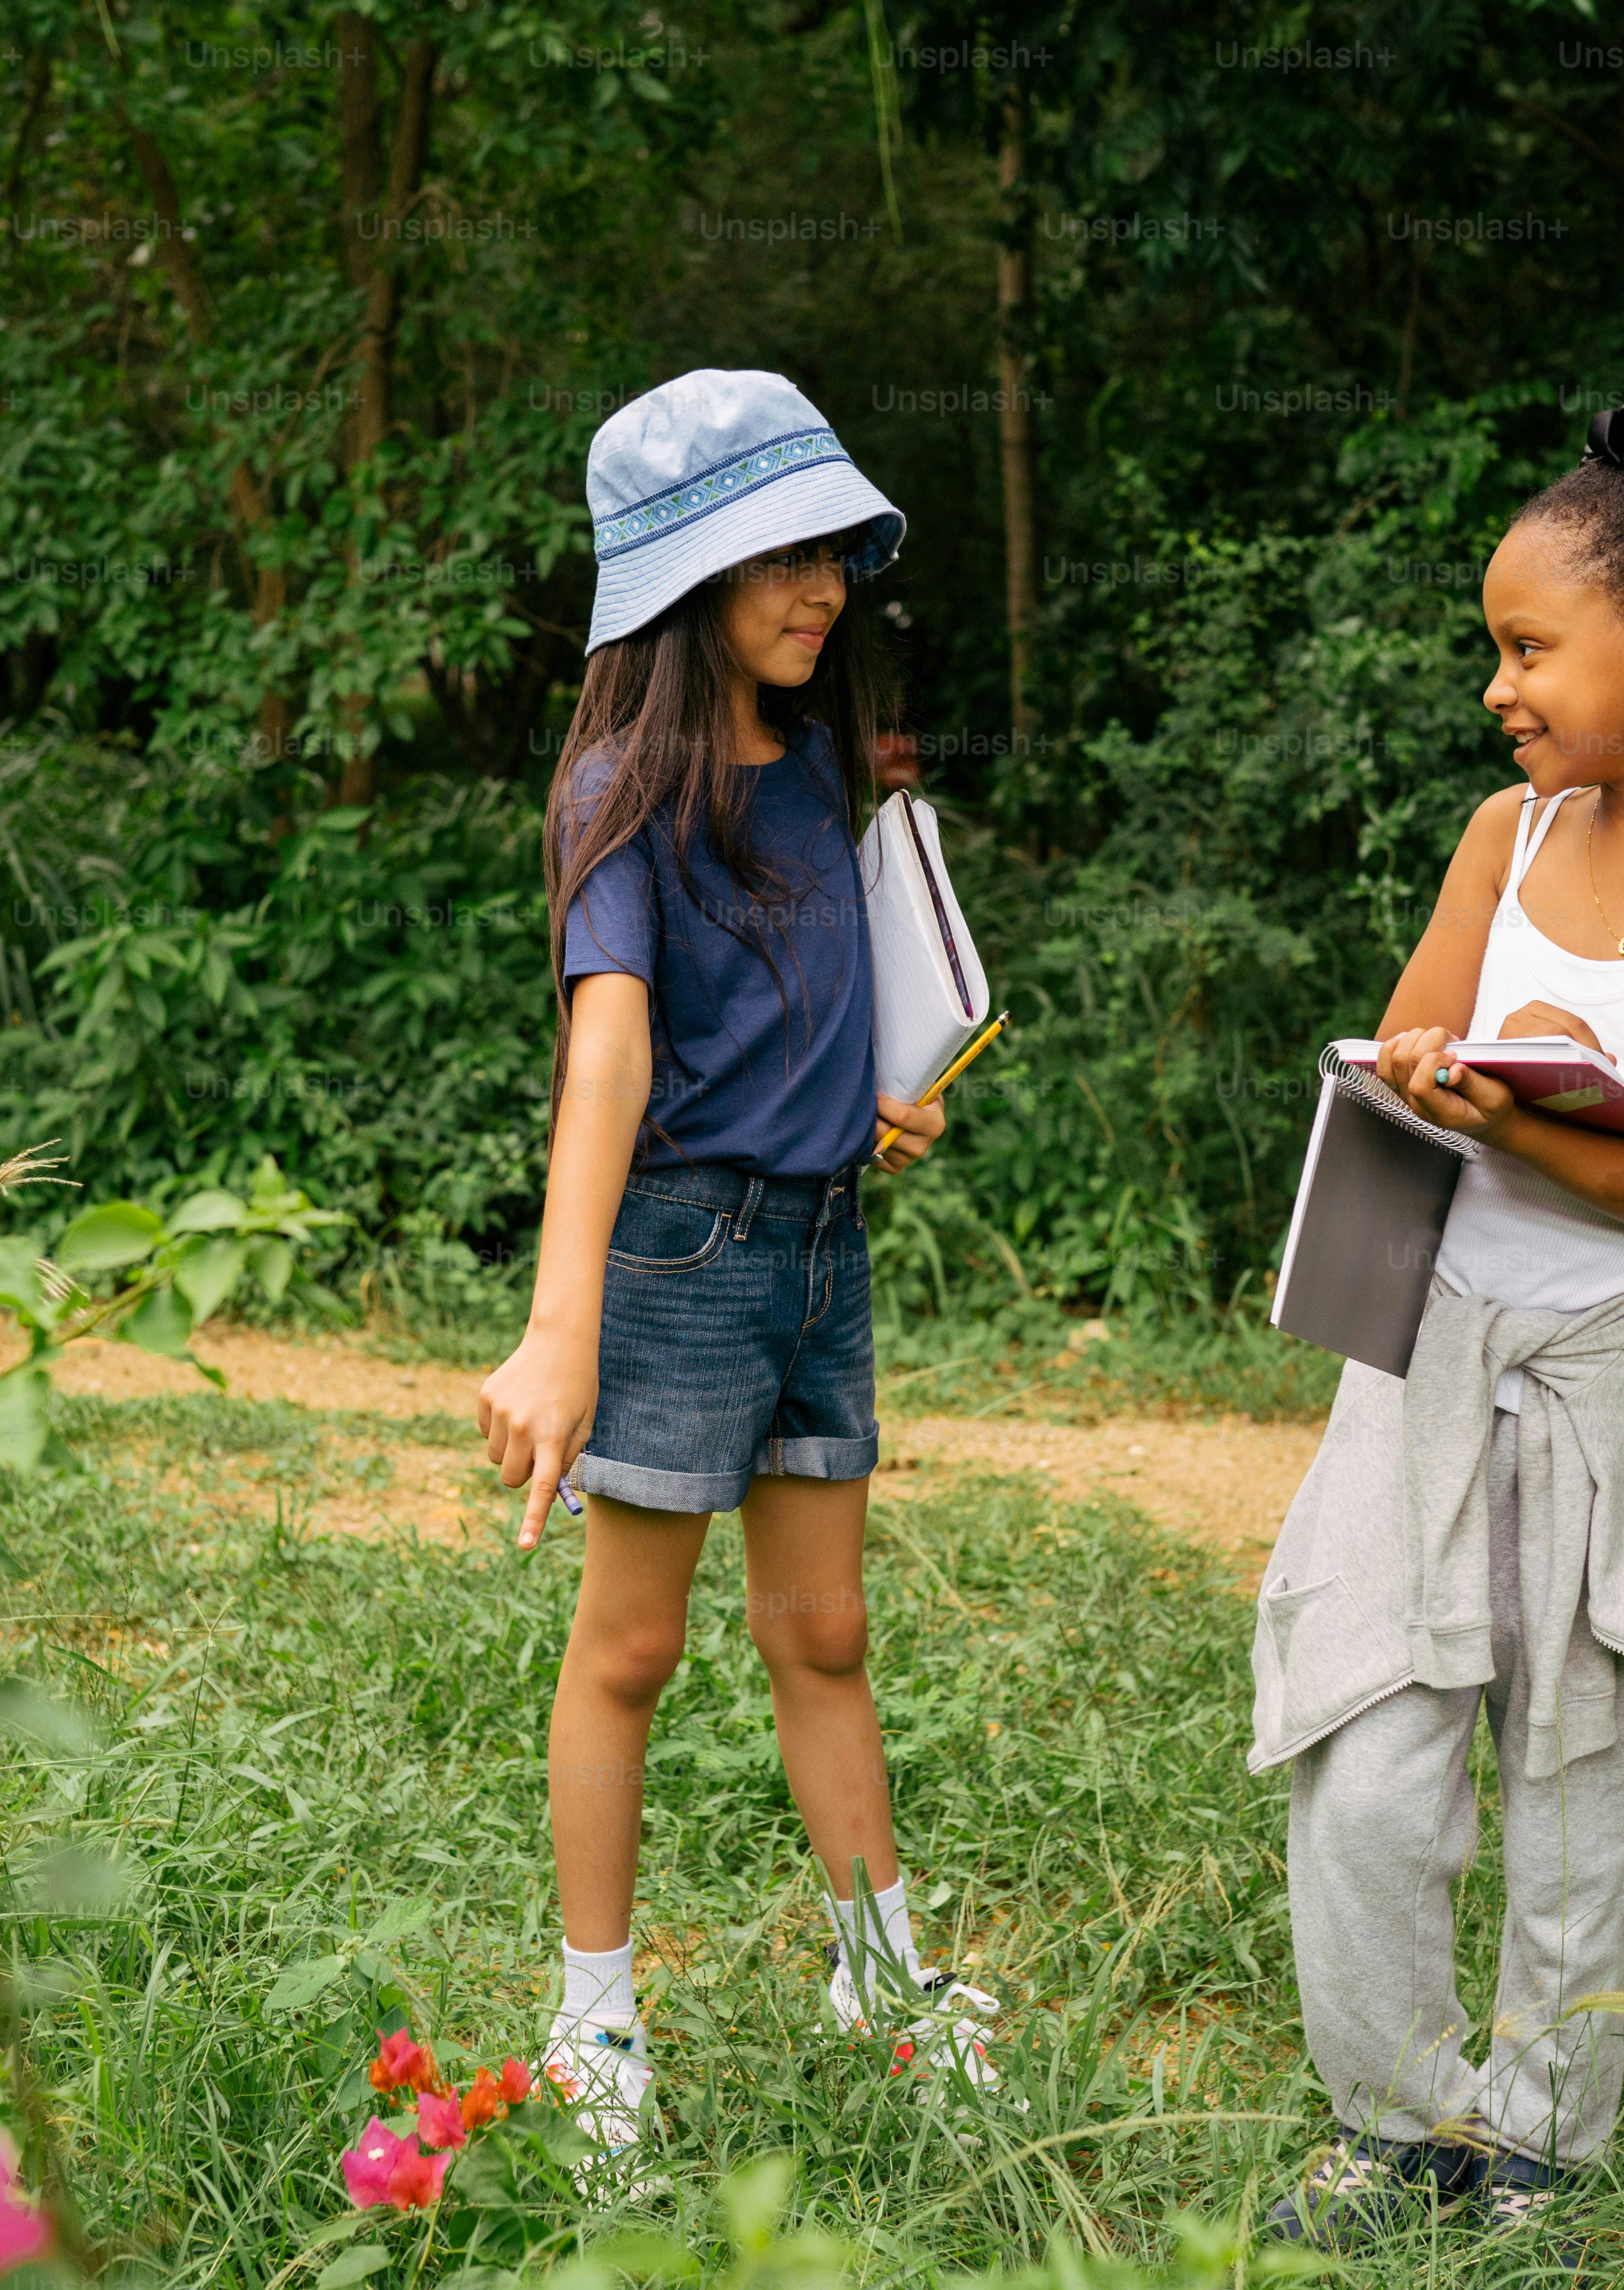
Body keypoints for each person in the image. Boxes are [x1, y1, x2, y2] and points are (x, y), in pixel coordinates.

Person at [1251, 389, 1624, 2249]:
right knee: (1370, 1757)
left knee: (1577, 1780)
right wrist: (1446, 1073)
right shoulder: (1502, 838)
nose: (1499, 687)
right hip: (1432, 1352)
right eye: (1495, 650)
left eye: (1529, 648)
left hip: (1608, 1380)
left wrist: (1537, 1105)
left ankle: (1537, 2151)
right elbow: (1408, 1046)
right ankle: (1397, 2122)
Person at [475, 369, 997, 2166]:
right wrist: (561, 1330)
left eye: (832, 553)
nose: (822, 588)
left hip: (823, 1249)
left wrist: (883, 1100)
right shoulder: (619, 791)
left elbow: (813, 998)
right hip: (682, 1256)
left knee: (823, 1633)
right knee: (629, 1650)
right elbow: (610, 1055)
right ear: (686, 580)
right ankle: (592, 2020)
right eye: (782, 556)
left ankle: (886, 1982)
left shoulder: (818, 769)